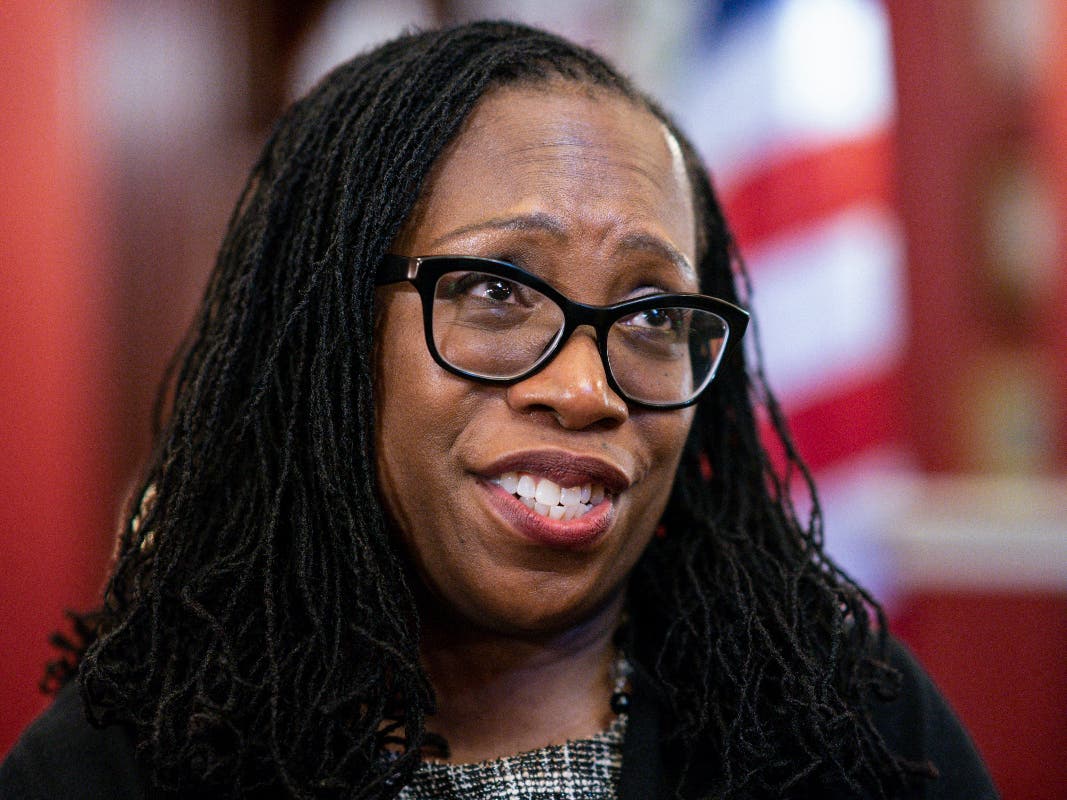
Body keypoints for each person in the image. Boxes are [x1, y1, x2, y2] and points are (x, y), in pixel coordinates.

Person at [0, 20, 997, 800]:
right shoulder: (125, 762)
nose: (584, 388)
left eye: (653, 311)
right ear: (333, 333)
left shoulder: (849, 729)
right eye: (493, 291)